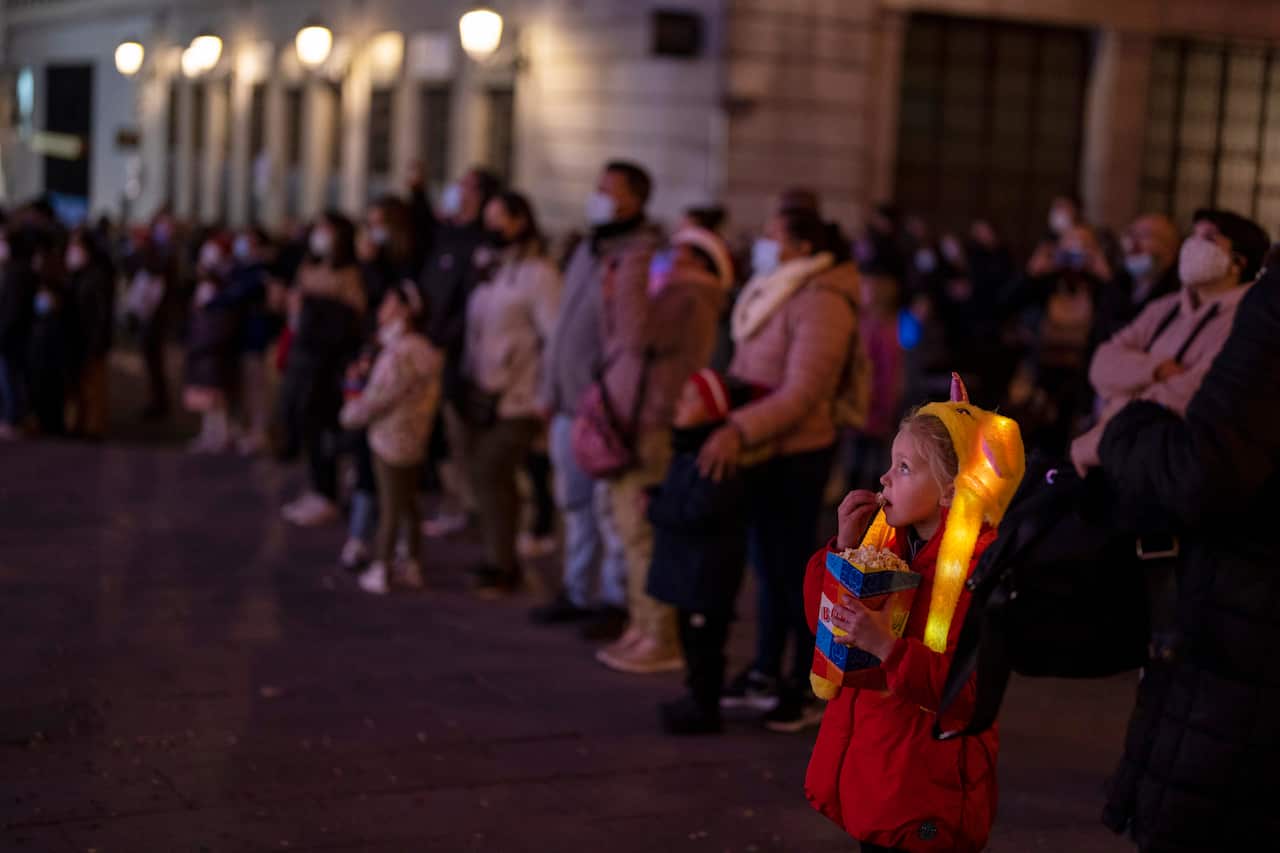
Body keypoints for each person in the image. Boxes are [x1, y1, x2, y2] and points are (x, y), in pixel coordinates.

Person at [1095, 246, 1280, 853]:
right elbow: (1106, 361)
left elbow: (1204, 469)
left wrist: (1123, 432)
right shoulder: (1171, 306)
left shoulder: (1260, 307)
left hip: (1244, 642)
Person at [802, 398, 1025, 853]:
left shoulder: (977, 574)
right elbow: (824, 632)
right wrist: (844, 551)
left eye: (903, 468)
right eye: (890, 462)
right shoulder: (890, 545)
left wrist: (888, 648)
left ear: (951, 490)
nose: (884, 478)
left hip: (927, 790)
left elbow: (969, 695)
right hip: (878, 769)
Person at [700, 205, 859, 731]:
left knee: (796, 575)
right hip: (766, 448)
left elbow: (804, 391)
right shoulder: (783, 286)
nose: (763, 243)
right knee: (769, 570)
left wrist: (739, 428)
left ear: (804, 246)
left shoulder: (823, 300)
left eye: (772, 235)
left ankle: (807, 683)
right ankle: (768, 669)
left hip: (797, 451)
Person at [593, 226, 736, 674]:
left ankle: (659, 633)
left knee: (642, 535)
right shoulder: (679, 294)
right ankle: (644, 625)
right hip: (640, 423)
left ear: (699, 262)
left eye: (680, 253)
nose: (668, 259)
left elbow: (635, 334)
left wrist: (635, 260)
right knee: (633, 533)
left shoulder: (688, 297)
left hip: (650, 427)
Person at [530, 161, 662, 641]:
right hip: (568, 402)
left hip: (603, 406)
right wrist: (549, 389)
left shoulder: (638, 254)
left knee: (610, 509)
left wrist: (607, 393)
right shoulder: (589, 246)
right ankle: (576, 589)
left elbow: (629, 335)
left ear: (633, 199)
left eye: (608, 189)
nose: (598, 196)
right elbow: (565, 324)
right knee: (576, 505)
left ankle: (613, 597)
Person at [1071, 209, 1268, 476]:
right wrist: (1159, 370)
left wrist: (1122, 394)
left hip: (1156, 462)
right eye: (1193, 235)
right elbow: (1102, 362)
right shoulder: (1165, 308)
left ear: (1237, 262)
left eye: (1208, 239)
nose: (1193, 245)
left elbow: (1194, 394)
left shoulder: (1246, 321)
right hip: (1113, 445)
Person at [460, 191, 561, 595]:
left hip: (521, 395)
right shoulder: (494, 270)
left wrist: (546, 396)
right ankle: (496, 557)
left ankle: (505, 563)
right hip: (485, 393)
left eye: (498, 217)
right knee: (487, 478)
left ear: (520, 220)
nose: (490, 227)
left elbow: (554, 338)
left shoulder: (540, 274)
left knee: (491, 469)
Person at [647, 369, 755, 734]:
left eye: (690, 399)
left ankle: (704, 706)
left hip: (706, 575)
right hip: (693, 572)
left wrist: (654, 506)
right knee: (693, 641)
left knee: (706, 643)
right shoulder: (688, 448)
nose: (679, 405)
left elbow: (698, 512)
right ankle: (695, 696)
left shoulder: (712, 458)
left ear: (712, 411)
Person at [339, 283, 441, 595]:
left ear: (405, 311)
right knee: (408, 503)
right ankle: (410, 562)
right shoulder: (425, 350)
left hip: (389, 438)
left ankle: (381, 566)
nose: (382, 309)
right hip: (415, 436)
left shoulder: (397, 354)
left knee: (391, 507)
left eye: (389, 303)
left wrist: (350, 413)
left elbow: (377, 399)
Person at [419, 166, 502, 539]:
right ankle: (454, 501)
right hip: (430, 347)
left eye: (466, 185)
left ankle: (466, 506)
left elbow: (470, 305)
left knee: (459, 434)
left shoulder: (481, 244)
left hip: (454, 357)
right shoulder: (446, 235)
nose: (457, 190)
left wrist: (442, 342)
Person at [279, 212, 366, 526]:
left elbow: (351, 318)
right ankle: (317, 487)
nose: (320, 234)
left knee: (326, 427)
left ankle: (328, 492)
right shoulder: (309, 265)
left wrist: (316, 306)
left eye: (326, 229)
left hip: (328, 364)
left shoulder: (349, 273)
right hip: (303, 357)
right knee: (306, 424)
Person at [218, 227, 277, 455]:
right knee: (243, 385)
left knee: (256, 387)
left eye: (249, 240)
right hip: (239, 336)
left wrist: (213, 303)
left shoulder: (261, 271)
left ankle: (259, 432)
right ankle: (242, 430)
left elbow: (237, 294)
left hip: (254, 337)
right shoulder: (240, 267)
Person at [184, 233, 240, 453]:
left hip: (212, 348)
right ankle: (211, 435)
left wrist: (203, 343)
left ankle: (220, 436)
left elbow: (221, 320)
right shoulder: (209, 286)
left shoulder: (222, 287)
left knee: (216, 398)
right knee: (208, 398)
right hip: (205, 347)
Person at [1093, 214, 1180, 347]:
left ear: (1170, 247)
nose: (1133, 243)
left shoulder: (1178, 294)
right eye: (1131, 234)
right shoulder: (1116, 284)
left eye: (1145, 235)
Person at [65, 227, 116, 440]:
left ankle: (93, 428)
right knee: (81, 386)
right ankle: (81, 423)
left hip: (92, 340)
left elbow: (101, 315)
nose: (72, 250)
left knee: (93, 387)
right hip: (80, 339)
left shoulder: (97, 275)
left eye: (76, 246)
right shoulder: (79, 275)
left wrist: (96, 343)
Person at [0, 225, 40, 438]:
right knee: (16, 377)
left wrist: (3, 333)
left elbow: (12, 310)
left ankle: (12, 419)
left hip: (12, 336)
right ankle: (19, 417)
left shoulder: (16, 272)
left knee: (10, 378)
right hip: (19, 334)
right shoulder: (22, 269)